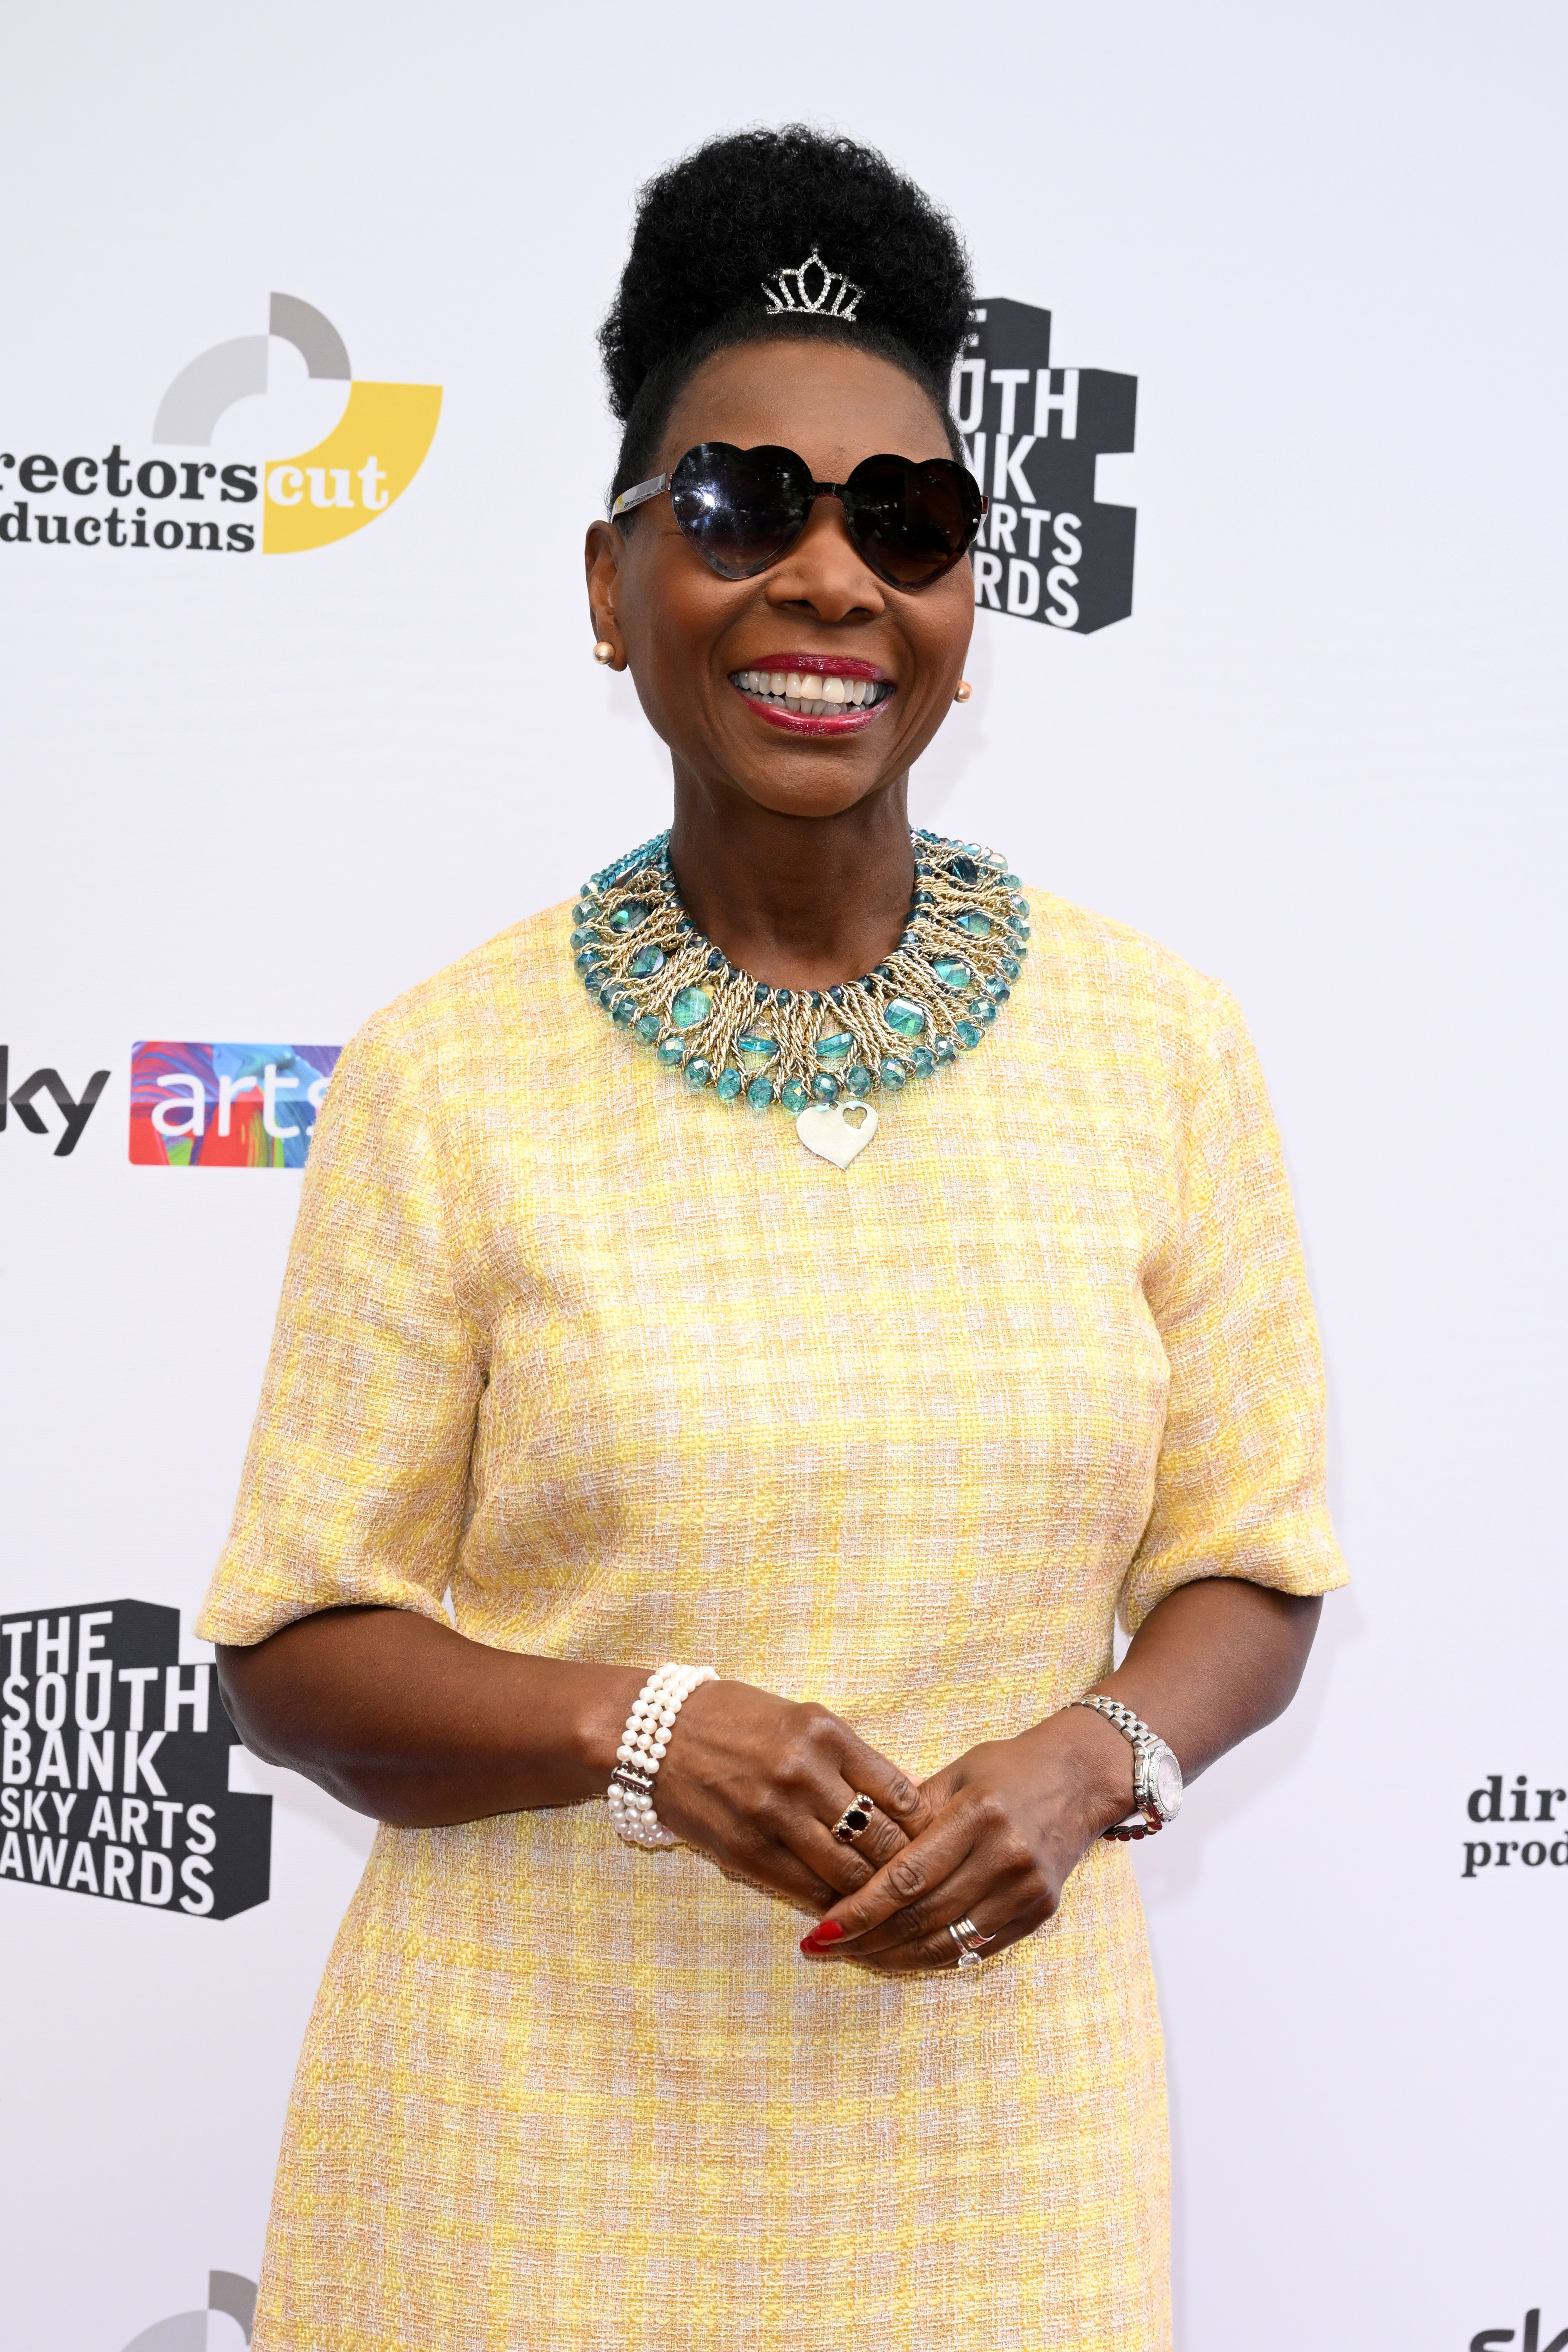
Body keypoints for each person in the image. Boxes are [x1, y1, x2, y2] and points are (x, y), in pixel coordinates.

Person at [202, 124, 1347, 2352]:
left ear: (965, 607)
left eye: (903, 523)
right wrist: (647, 1729)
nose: (832, 578)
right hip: (517, 2171)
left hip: (999, 2161)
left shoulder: (1162, 1049)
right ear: (616, 582)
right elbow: (290, 1646)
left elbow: (1254, 1562)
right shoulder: (448, 1072)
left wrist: (1096, 1755)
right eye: (741, 506)